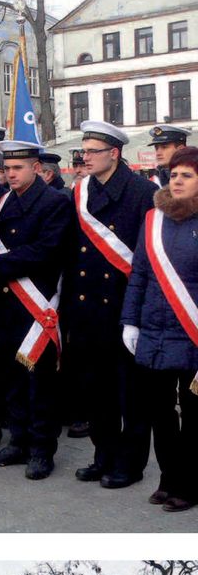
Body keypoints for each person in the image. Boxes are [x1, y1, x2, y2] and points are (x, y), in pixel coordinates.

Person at [66, 120, 156, 490]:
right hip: (88, 310)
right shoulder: (82, 192)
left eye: (91, 152)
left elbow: (148, 258)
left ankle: (130, 463)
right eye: (83, 151)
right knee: (96, 389)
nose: (84, 157)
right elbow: (73, 251)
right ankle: (103, 454)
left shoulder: (142, 192)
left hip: (124, 308)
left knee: (130, 393)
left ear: (114, 154)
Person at [0, 139, 76, 479]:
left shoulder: (54, 203)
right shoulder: (5, 200)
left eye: (17, 168)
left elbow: (46, 251)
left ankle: (41, 450)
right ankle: (18, 441)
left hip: (38, 304)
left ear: (37, 168)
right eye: (6, 168)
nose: (10, 174)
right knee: (12, 379)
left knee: (40, 383)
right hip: (8, 304)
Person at [121, 146, 198, 512]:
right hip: (154, 332)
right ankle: (170, 478)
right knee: (161, 414)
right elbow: (139, 274)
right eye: (174, 173)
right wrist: (130, 321)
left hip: (194, 334)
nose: (177, 180)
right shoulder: (153, 219)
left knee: (195, 417)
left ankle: (190, 483)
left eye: (187, 175)